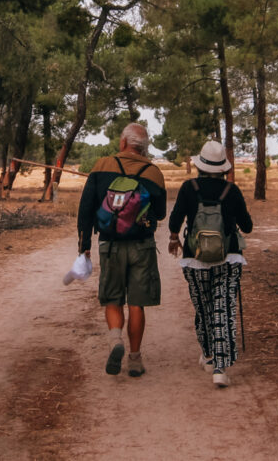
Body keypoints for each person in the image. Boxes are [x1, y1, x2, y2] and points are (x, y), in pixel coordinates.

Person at [77, 122, 167, 377]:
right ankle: (135, 360)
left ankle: (116, 339)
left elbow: (86, 209)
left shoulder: (101, 166)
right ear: (143, 147)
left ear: (123, 143)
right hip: (142, 246)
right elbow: (159, 213)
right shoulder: (154, 172)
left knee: (113, 299)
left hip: (110, 244)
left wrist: (84, 246)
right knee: (137, 303)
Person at [168, 140, 253, 388]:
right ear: (223, 169)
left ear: (200, 165)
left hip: (195, 259)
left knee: (203, 307)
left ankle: (207, 355)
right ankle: (220, 367)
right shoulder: (232, 191)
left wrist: (174, 238)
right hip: (229, 258)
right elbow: (247, 226)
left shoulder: (188, 188)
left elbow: (175, 221)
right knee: (223, 308)